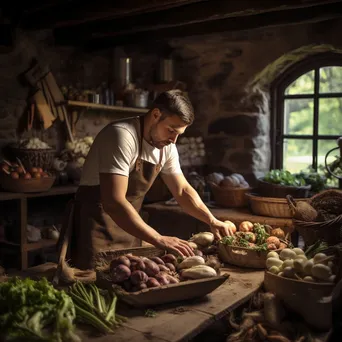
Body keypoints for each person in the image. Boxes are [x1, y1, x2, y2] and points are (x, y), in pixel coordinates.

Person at [61, 90, 234, 270]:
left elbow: (182, 190)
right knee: (94, 287)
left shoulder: (167, 146)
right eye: (171, 130)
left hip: (131, 231)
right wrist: (158, 238)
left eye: (179, 134)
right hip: (96, 232)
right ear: (156, 115)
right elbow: (114, 201)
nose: (174, 140)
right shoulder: (121, 136)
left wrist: (212, 220)